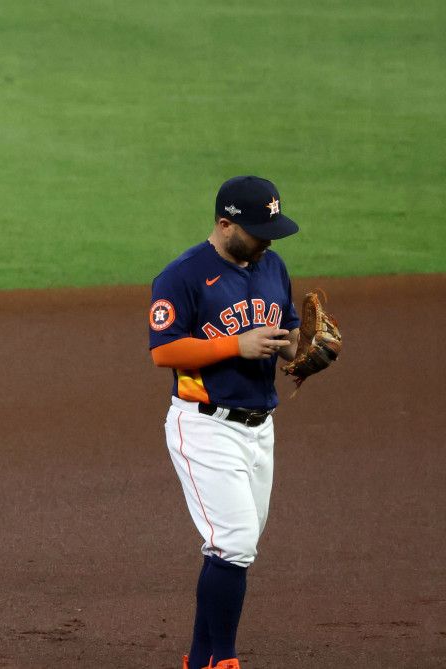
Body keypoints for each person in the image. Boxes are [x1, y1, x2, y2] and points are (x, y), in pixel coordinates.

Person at [148, 176, 301, 669]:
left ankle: (199, 658)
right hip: (205, 426)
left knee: (231, 549)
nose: (268, 240)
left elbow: (289, 338)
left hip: (261, 429)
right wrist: (235, 344)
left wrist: (306, 355)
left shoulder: (272, 265)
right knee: (234, 543)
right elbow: (164, 350)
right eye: (258, 230)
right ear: (224, 224)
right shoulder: (183, 276)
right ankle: (225, 661)